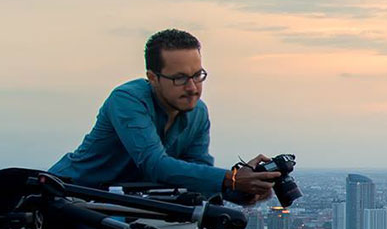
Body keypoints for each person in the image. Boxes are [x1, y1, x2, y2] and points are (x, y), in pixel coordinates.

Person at [50, 29, 278, 201]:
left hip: (112, 204)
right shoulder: (128, 99)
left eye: (197, 75)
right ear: (153, 78)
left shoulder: (197, 112)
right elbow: (155, 165)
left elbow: (195, 177)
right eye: (180, 78)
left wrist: (248, 190)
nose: (192, 88)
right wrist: (233, 179)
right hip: (66, 194)